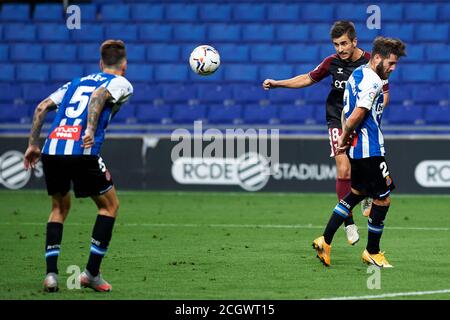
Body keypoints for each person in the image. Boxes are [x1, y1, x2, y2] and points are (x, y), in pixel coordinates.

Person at [263, 21, 389, 245]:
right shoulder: (331, 63)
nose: (339, 49)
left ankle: (367, 195)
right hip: (337, 121)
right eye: (336, 44)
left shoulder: (371, 62)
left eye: (343, 44)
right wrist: (277, 84)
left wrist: (373, 113)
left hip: (362, 122)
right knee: (343, 168)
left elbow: (385, 92)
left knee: (365, 169)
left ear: (354, 42)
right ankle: (348, 223)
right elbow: (306, 78)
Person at [23, 40, 133, 292]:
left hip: (52, 149)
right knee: (109, 206)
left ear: (99, 63)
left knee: (59, 208)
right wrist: (91, 130)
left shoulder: (76, 82)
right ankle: (91, 273)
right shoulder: (121, 83)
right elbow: (99, 96)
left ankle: (51, 275)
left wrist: (32, 145)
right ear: (124, 65)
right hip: (82, 151)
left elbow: (42, 107)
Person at [312, 36, 406, 267]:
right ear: (377, 58)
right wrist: (343, 138)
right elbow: (357, 114)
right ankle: (372, 252)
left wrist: (346, 139)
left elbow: (349, 110)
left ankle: (325, 240)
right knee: (383, 200)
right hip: (370, 150)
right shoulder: (373, 81)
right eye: (391, 63)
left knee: (354, 194)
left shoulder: (358, 73)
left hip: (358, 148)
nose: (393, 69)